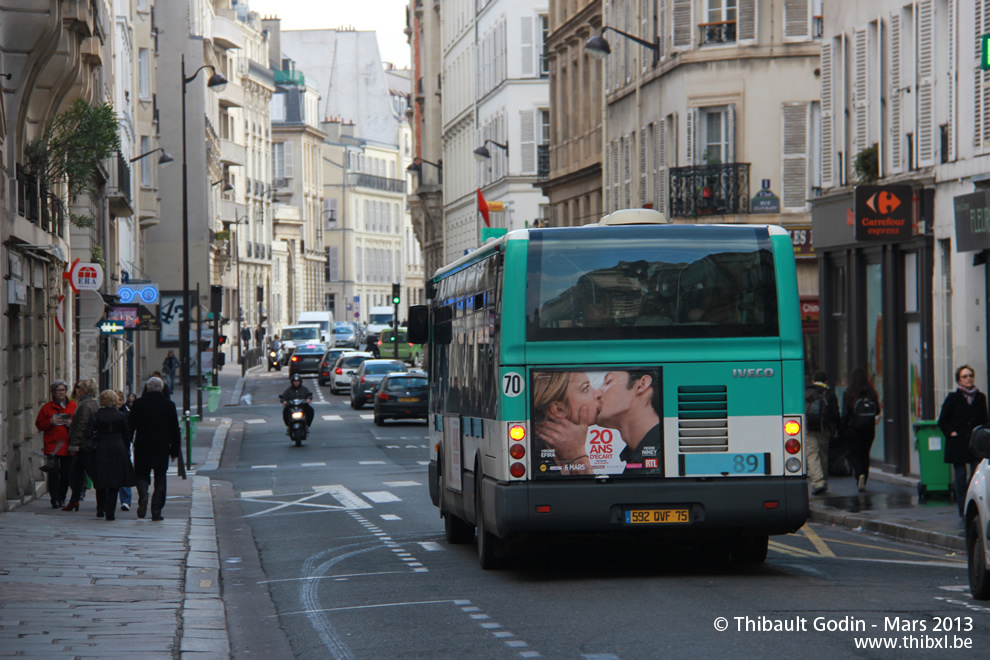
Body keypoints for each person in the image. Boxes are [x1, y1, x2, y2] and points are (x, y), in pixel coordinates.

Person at [938, 365, 988, 517]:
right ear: (959, 380)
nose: (968, 379)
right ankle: (963, 510)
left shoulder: (980, 398)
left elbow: (985, 420)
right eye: (965, 376)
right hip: (958, 443)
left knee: (975, 476)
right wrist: (951, 432)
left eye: (970, 375)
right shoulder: (953, 398)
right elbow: (943, 420)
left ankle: (971, 505)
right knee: (960, 478)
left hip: (975, 444)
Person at [129, 377, 181, 521]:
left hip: (142, 444)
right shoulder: (169, 405)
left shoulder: (138, 404)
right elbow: (175, 430)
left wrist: (127, 443)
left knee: (141, 474)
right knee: (160, 478)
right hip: (161, 446)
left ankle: (143, 494)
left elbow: (130, 426)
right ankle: (156, 511)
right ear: (162, 388)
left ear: (148, 388)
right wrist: (174, 450)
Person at [532, 372, 601, 475]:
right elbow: (589, 491)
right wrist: (578, 457)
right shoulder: (537, 461)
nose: (598, 394)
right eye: (586, 388)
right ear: (558, 409)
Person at [83, 390, 136, 520]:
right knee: (115, 480)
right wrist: (126, 448)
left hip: (101, 448)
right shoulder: (122, 416)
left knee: (101, 478)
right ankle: (110, 511)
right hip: (118, 448)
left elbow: (87, 434)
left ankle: (101, 507)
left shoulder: (96, 416)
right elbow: (127, 436)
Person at [597, 370, 662, 474]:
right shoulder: (635, 458)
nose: (597, 393)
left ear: (641, 384)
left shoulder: (664, 455)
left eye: (608, 381)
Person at [35, 379, 77, 508]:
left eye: (63, 390)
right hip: (52, 446)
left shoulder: (73, 406)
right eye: (58, 390)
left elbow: (80, 424)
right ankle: (54, 499)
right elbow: (39, 425)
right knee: (53, 474)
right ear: (53, 392)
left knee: (65, 474)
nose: (61, 393)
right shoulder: (47, 408)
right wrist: (51, 422)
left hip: (67, 446)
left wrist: (71, 425)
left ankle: (62, 497)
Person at [62, 379, 101, 511]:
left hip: (83, 446)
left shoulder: (85, 405)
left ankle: (103, 501)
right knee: (76, 474)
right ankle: (74, 500)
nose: (77, 390)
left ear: (85, 390)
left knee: (90, 474)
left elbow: (81, 426)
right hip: (85, 445)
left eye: (80, 388)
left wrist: (74, 445)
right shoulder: (93, 403)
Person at [840, 367, 880, 492]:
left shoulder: (849, 393)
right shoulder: (871, 392)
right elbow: (877, 410)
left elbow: (845, 412)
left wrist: (842, 427)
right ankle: (865, 476)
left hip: (854, 428)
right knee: (865, 453)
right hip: (869, 428)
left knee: (855, 454)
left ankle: (859, 475)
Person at [805, 371, 840, 495]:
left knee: (812, 454)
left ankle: (817, 482)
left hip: (809, 428)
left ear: (813, 381)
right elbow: (835, 413)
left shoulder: (807, 392)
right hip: (824, 428)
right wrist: (836, 427)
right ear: (825, 382)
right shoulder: (829, 393)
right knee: (823, 455)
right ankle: (823, 482)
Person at [117, 392, 134, 512]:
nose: (119, 402)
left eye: (120, 400)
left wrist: (128, 447)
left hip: (123, 447)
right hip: (114, 447)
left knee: (124, 473)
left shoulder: (127, 414)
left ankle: (126, 501)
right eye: (116, 399)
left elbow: (129, 433)